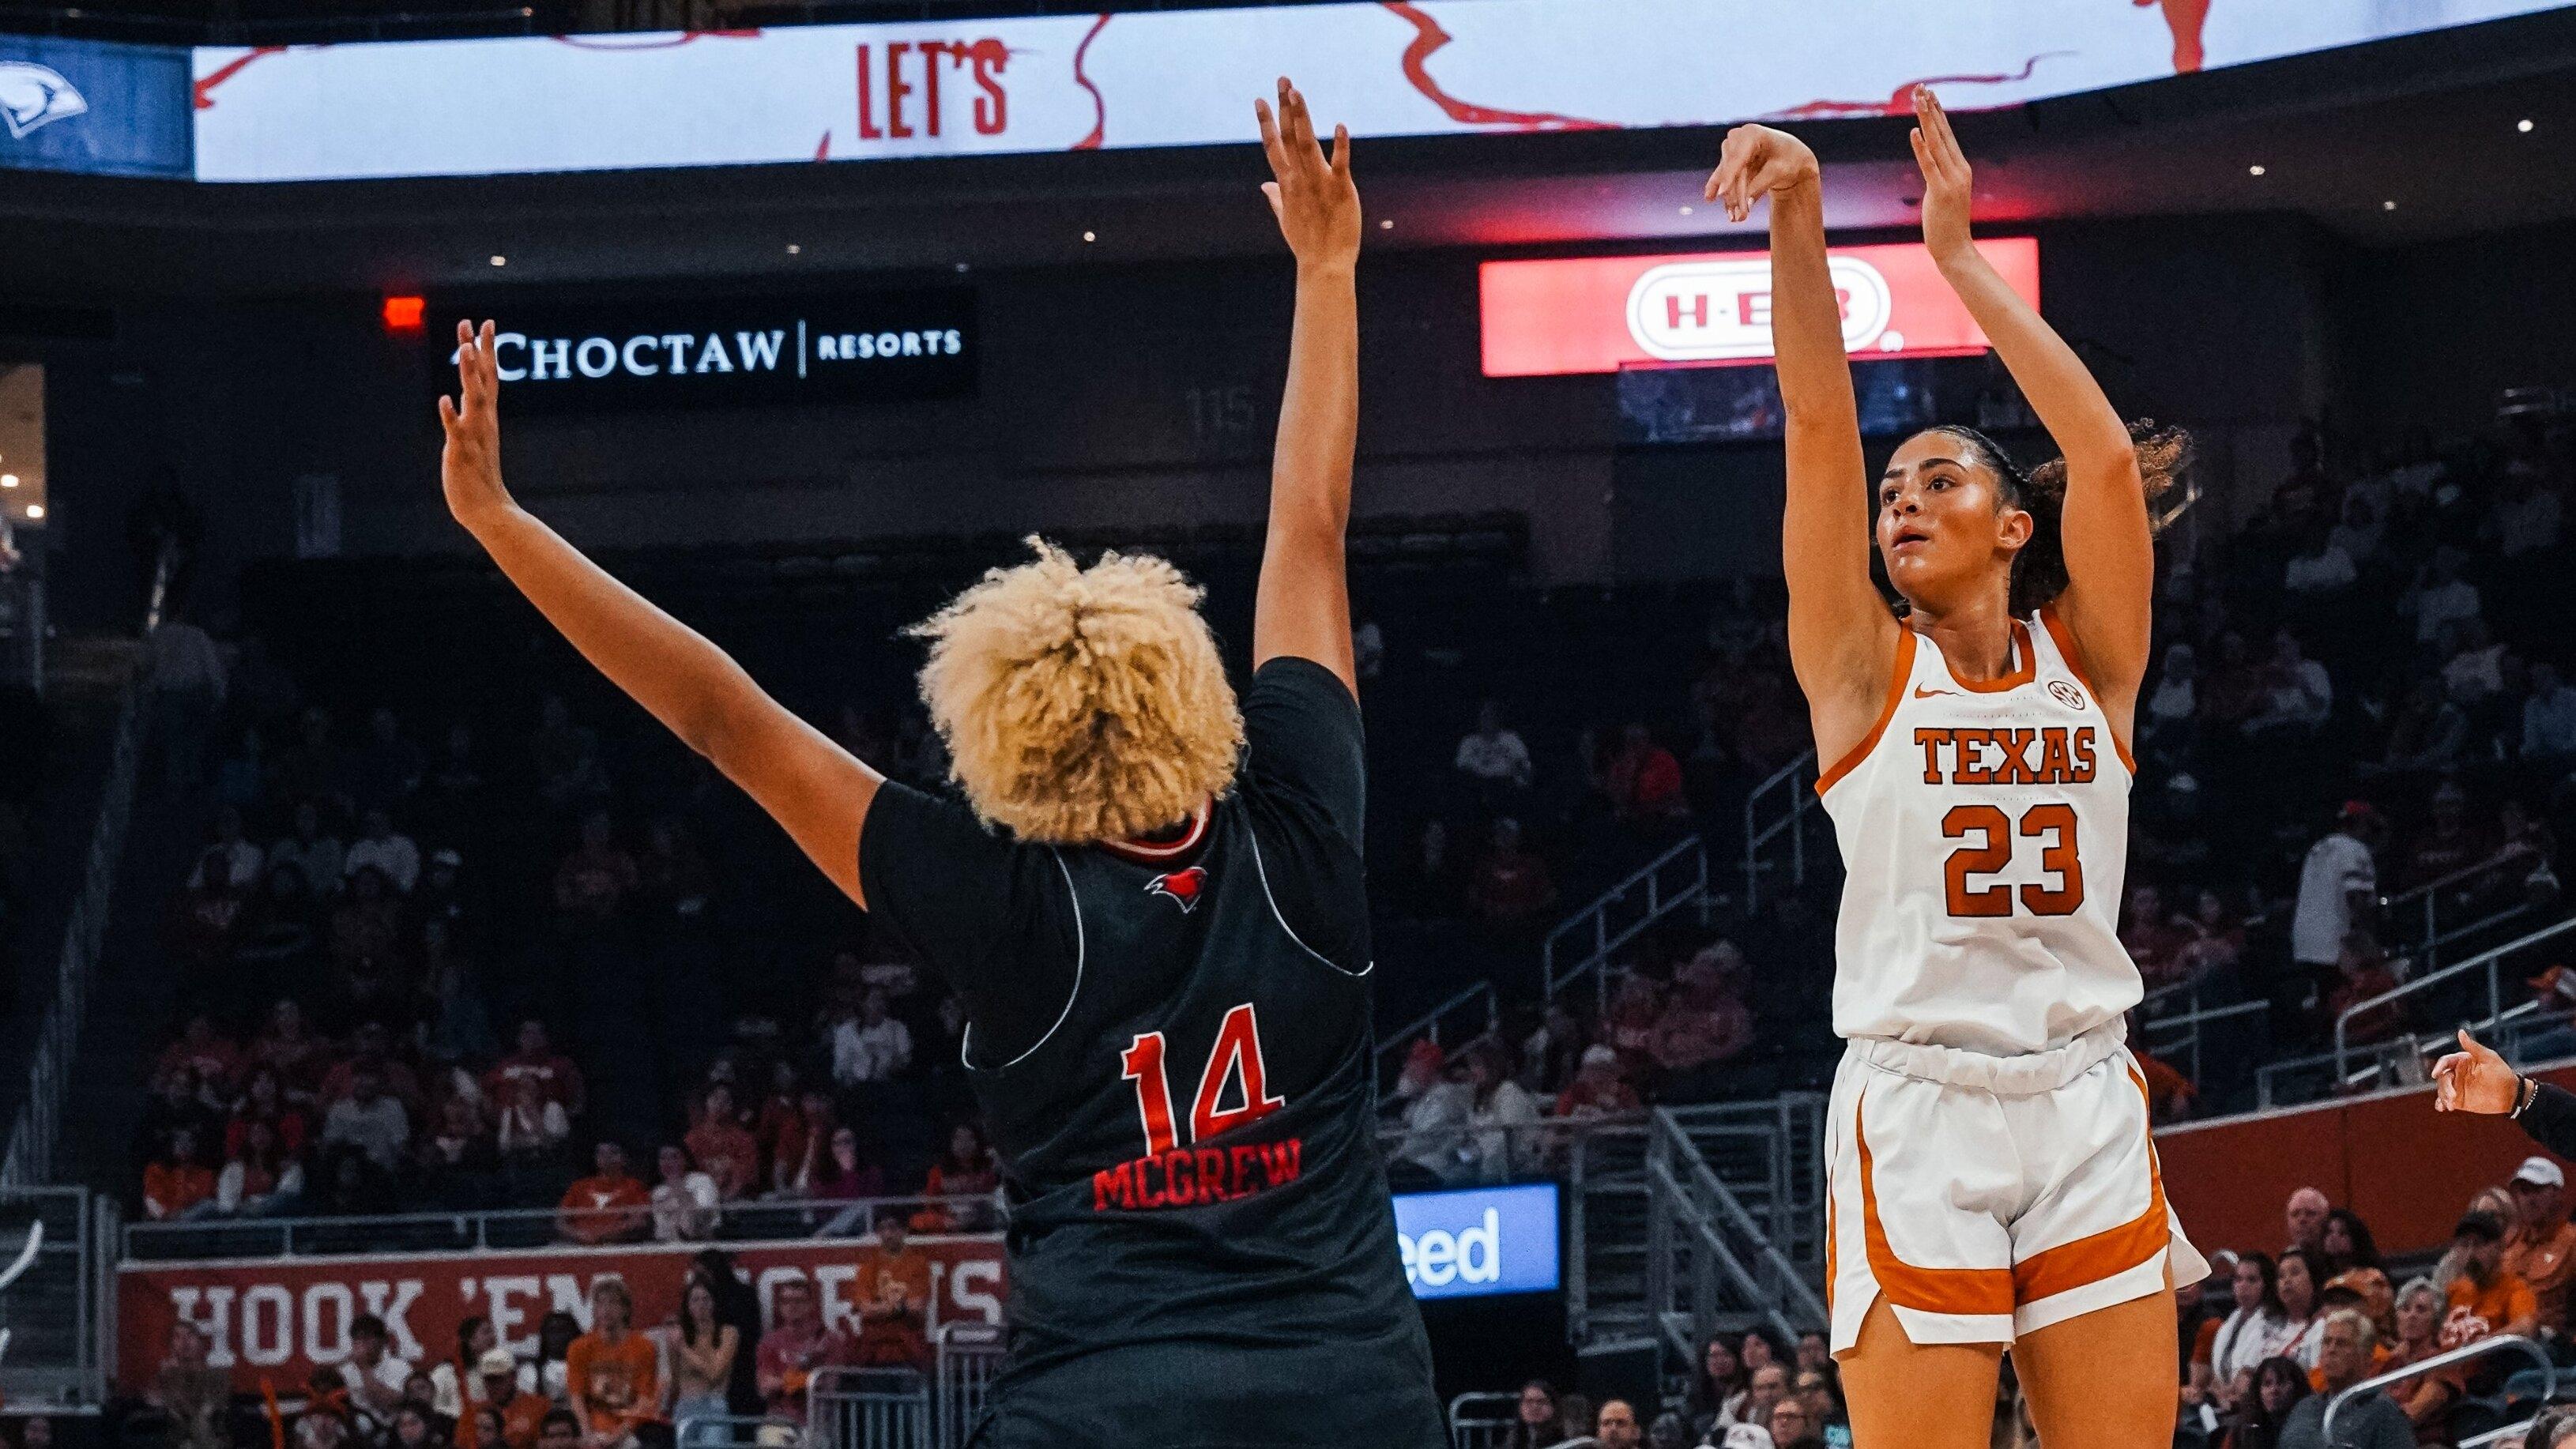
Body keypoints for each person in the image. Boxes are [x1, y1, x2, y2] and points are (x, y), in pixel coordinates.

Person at [431, 77, 1439, 1448]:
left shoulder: (1001, 898)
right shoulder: (1301, 818)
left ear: (1003, 738)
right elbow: (1308, 527)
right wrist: (1327, 271)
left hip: (1102, 1406)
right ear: (1192, 685)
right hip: (1347, 1389)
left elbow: (725, 717)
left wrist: (501, 523)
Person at [1710, 92, 2201, 1449]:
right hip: (1920, 1104)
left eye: (1939, 480)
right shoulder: (1862, 671)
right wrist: (1801, 212)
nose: (1902, 501)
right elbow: (1818, 428)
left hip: (2086, 1093)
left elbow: (2104, 460)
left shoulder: (2091, 660)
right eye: (1894, 494)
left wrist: (1960, 260)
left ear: (2015, 525)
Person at [2274, 1310, 2410, 1449]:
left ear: (2366, 1358)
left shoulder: (2383, 1411)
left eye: (2342, 1343)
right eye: (2327, 1342)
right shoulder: (2304, 1407)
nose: (2331, 1350)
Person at [564, 1278, 658, 1449]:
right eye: (600, 1303)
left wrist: (618, 1436)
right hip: (593, 1429)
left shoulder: (644, 1347)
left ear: (625, 1309)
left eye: (613, 1303)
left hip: (631, 1430)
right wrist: (589, 1435)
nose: (606, 1309)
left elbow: (645, 1400)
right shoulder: (579, 1347)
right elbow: (577, 1397)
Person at [670, 1277, 738, 1440]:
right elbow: (675, 1378)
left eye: (706, 1299)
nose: (701, 1305)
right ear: (688, 1305)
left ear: (714, 1303)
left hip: (715, 1404)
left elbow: (715, 1373)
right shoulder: (678, 1335)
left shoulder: (728, 1333)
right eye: (695, 1300)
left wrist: (683, 1349)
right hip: (686, 1405)